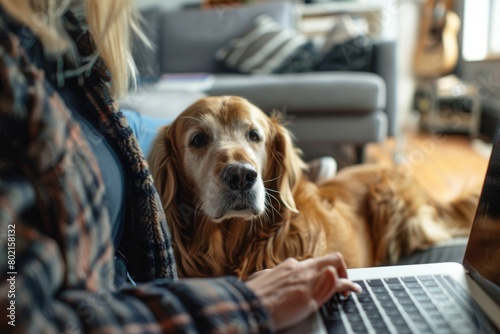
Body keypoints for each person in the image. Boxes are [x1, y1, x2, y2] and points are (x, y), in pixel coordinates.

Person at [0, 0, 361, 332]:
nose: (238, 167)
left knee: (138, 123)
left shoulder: (63, 41)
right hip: (150, 307)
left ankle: (296, 173)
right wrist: (240, 304)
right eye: (200, 141)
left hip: (142, 294)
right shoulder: (12, 65)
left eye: (253, 137)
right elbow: (19, 316)